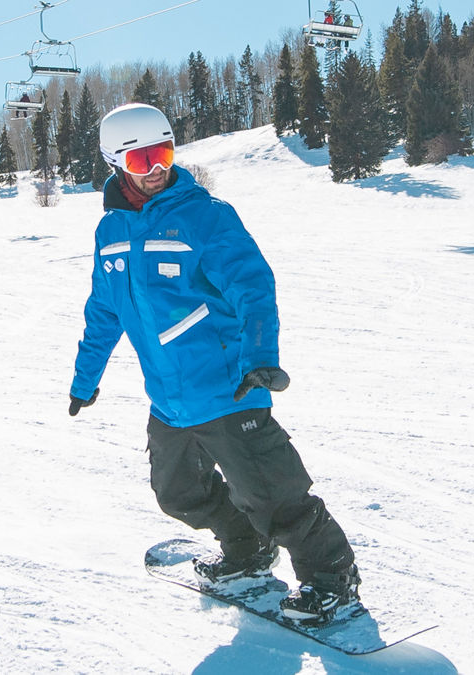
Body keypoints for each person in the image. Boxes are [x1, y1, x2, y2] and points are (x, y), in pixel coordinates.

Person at [68, 103, 366, 626]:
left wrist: (260, 358)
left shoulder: (207, 216)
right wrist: (85, 379)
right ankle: (246, 552)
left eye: (163, 153)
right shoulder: (108, 232)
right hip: (168, 398)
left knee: (276, 496)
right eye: (141, 160)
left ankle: (332, 583)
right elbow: (103, 311)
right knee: (177, 494)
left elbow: (252, 286)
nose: (156, 168)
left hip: (228, 385)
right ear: (114, 164)